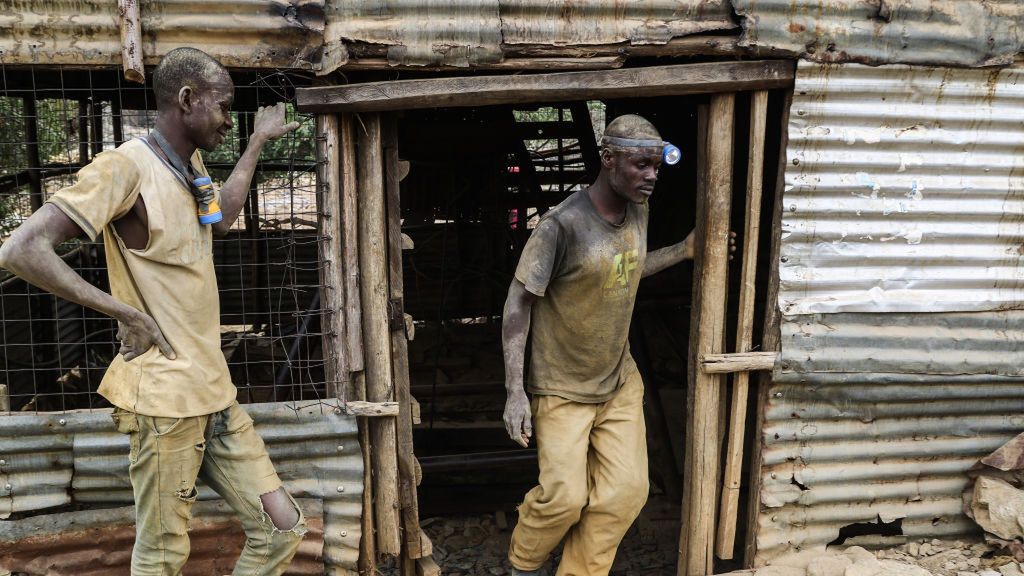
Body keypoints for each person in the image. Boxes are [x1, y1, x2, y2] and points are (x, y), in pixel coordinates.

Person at [0, 48, 305, 575]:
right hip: (164, 405)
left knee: (282, 530)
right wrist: (127, 313)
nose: (229, 120)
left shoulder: (189, 163)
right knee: (162, 555)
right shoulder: (126, 168)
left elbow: (222, 220)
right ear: (187, 100)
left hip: (213, 392)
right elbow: (21, 250)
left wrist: (256, 143)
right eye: (224, 107)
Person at [503, 114, 728, 576]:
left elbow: (623, 266)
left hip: (618, 381)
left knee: (626, 492)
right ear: (607, 160)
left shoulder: (638, 209)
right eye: (640, 165)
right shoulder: (559, 227)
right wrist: (514, 392)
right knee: (563, 498)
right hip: (561, 385)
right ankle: (522, 565)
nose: (651, 176)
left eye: (656, 167)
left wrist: (683, 251)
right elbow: (517, 304)